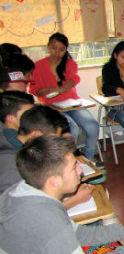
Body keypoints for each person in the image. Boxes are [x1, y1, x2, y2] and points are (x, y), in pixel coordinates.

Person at [29, 33, 100, 162]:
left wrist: (61, 89)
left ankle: (89, 159)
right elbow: (34, 90)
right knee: (72, 129)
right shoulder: (38, 66)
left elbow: (73, 80)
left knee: (92, 126)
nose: (57, 52)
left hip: (71, 103)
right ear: (48, 47)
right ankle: (69, 160)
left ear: (66, 50)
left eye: (61, 49)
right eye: (53, 48)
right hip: (51, 106)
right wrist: (46, 91)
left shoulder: (69, 63)